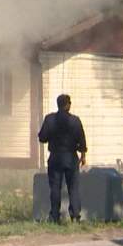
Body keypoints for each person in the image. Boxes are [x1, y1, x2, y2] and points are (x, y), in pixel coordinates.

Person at [38, 94, 87, 222]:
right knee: (73, 188)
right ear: (67, 105)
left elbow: (42, 138)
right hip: (71, 157)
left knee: (55, 187)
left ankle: (54, 216)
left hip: (55, 157)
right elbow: (82, 140)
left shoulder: (49, 119)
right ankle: (75, 216)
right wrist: (83, 156)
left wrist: (51, 137)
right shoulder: (75, 120)